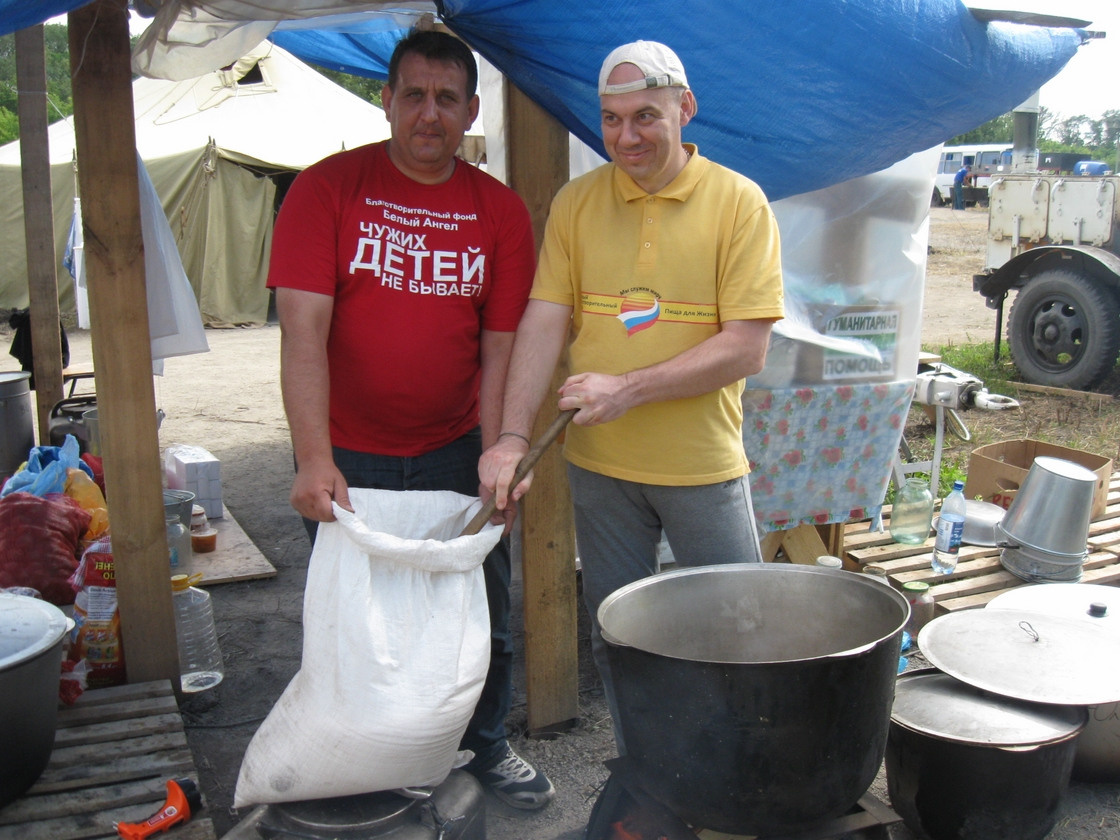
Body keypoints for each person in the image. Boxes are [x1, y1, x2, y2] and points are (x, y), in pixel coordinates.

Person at [266, 28, 554, 810]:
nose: (430, 114)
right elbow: (303, 337)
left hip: (454, 448)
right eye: (415, 95)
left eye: (447, 99)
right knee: (359, 621)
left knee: (478, 613)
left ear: (468, 113)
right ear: (386, 100)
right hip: (347, 456)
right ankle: (371, 765)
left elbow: (500, 352)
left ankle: (484, 747)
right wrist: (311, 458)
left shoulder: (497, 212)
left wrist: (499, 455)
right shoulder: (326, 190)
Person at [478, 40, 785, 749]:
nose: (626, 137)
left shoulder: (739, 203)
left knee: (737, 631)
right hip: (600, 469)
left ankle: (738, 776)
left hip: (702, 467)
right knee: (619, 635)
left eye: (645, 116)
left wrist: (628, 388)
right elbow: (544, 323)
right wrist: (513, 438)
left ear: (686, 107)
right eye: (612, 120)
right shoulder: (578, 203)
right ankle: (647, 772)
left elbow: (748, 346)